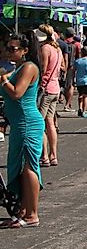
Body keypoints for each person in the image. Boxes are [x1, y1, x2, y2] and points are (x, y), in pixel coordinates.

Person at [0, 31, 45, 228]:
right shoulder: (18, 68)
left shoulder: (28, 67)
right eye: (7, 48)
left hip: (28, 122)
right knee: (18, 167)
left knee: (28, 167)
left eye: (13, 49)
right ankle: (23, 210)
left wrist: (2, 79)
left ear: (25, 50)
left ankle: (32, 214)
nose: (9, 52)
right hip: (18, 124)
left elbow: (17, 93)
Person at [37, 25, 63, 167]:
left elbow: (44, 70)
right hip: (55, 88)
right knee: (50, 123)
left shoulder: (45, 49)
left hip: (46, 89)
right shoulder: (57, 48)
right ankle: (54, 155)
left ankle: (44, 156)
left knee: (40, 123)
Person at [61, 28, 82, 112]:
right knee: (70, 85)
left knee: (64, 85)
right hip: (71, 66)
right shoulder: (76, 44)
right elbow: (78, 56)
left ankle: (67, 103)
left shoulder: (62, 43)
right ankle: (67, 104)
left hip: (62, 66)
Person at [74, 46, 87, 119]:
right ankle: (84, 111)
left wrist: (73, 80)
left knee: (80, 95)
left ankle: (80, 107)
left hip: (79, 81)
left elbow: (74, 71)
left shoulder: (77, 61)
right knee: (85, 96)